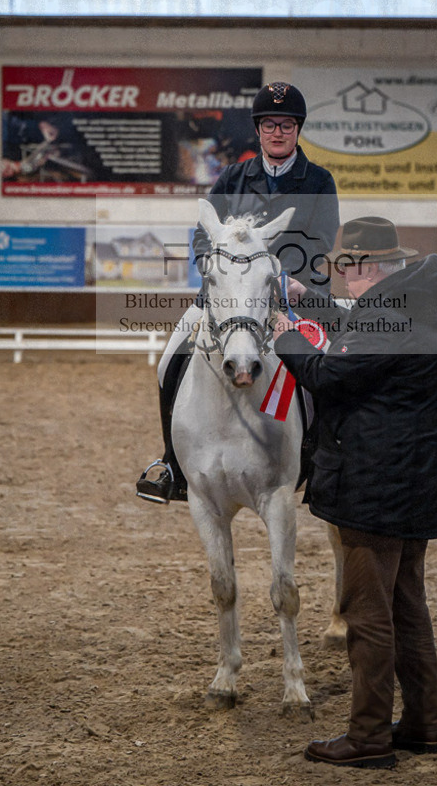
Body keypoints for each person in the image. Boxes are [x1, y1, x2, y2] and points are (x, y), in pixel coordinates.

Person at [272, 215, 437, 769]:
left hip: (373, 484)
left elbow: (331, 373)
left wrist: (282, 333)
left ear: (366, 268)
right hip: (414, 482)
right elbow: (358, 323)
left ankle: (369, 735)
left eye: (344, 270)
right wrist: (309, 301)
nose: (341, 280)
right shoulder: (413, 303)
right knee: (407, 606)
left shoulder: (391, 316)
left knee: (367, 614)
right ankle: (425, 724)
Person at [136, 81, 340, 504]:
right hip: (228, 296)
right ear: (259, 130)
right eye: (269, 125)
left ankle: (325, 459)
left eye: (286, 125)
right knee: (169, 358)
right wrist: (211, 267)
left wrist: (282, 280)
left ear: (298, 130)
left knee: (332, 365)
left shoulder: (319, 180)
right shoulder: (233, 176)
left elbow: (320, 241)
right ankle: (172, 463)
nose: (278, 132)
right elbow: (203, 233)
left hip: (292, 294)